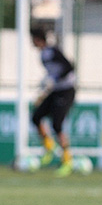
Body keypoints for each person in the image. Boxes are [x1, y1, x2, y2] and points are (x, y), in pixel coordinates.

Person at [30, 27, 76, 176]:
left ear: (38, 39)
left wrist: (55, 79)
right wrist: (44, 92)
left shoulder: (52, 51)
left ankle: (67, 161)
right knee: (36, 117)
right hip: (56, 90)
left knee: (57, 125)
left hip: (66, 90)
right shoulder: (43, 54)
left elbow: (69, 67)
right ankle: (49, 146)